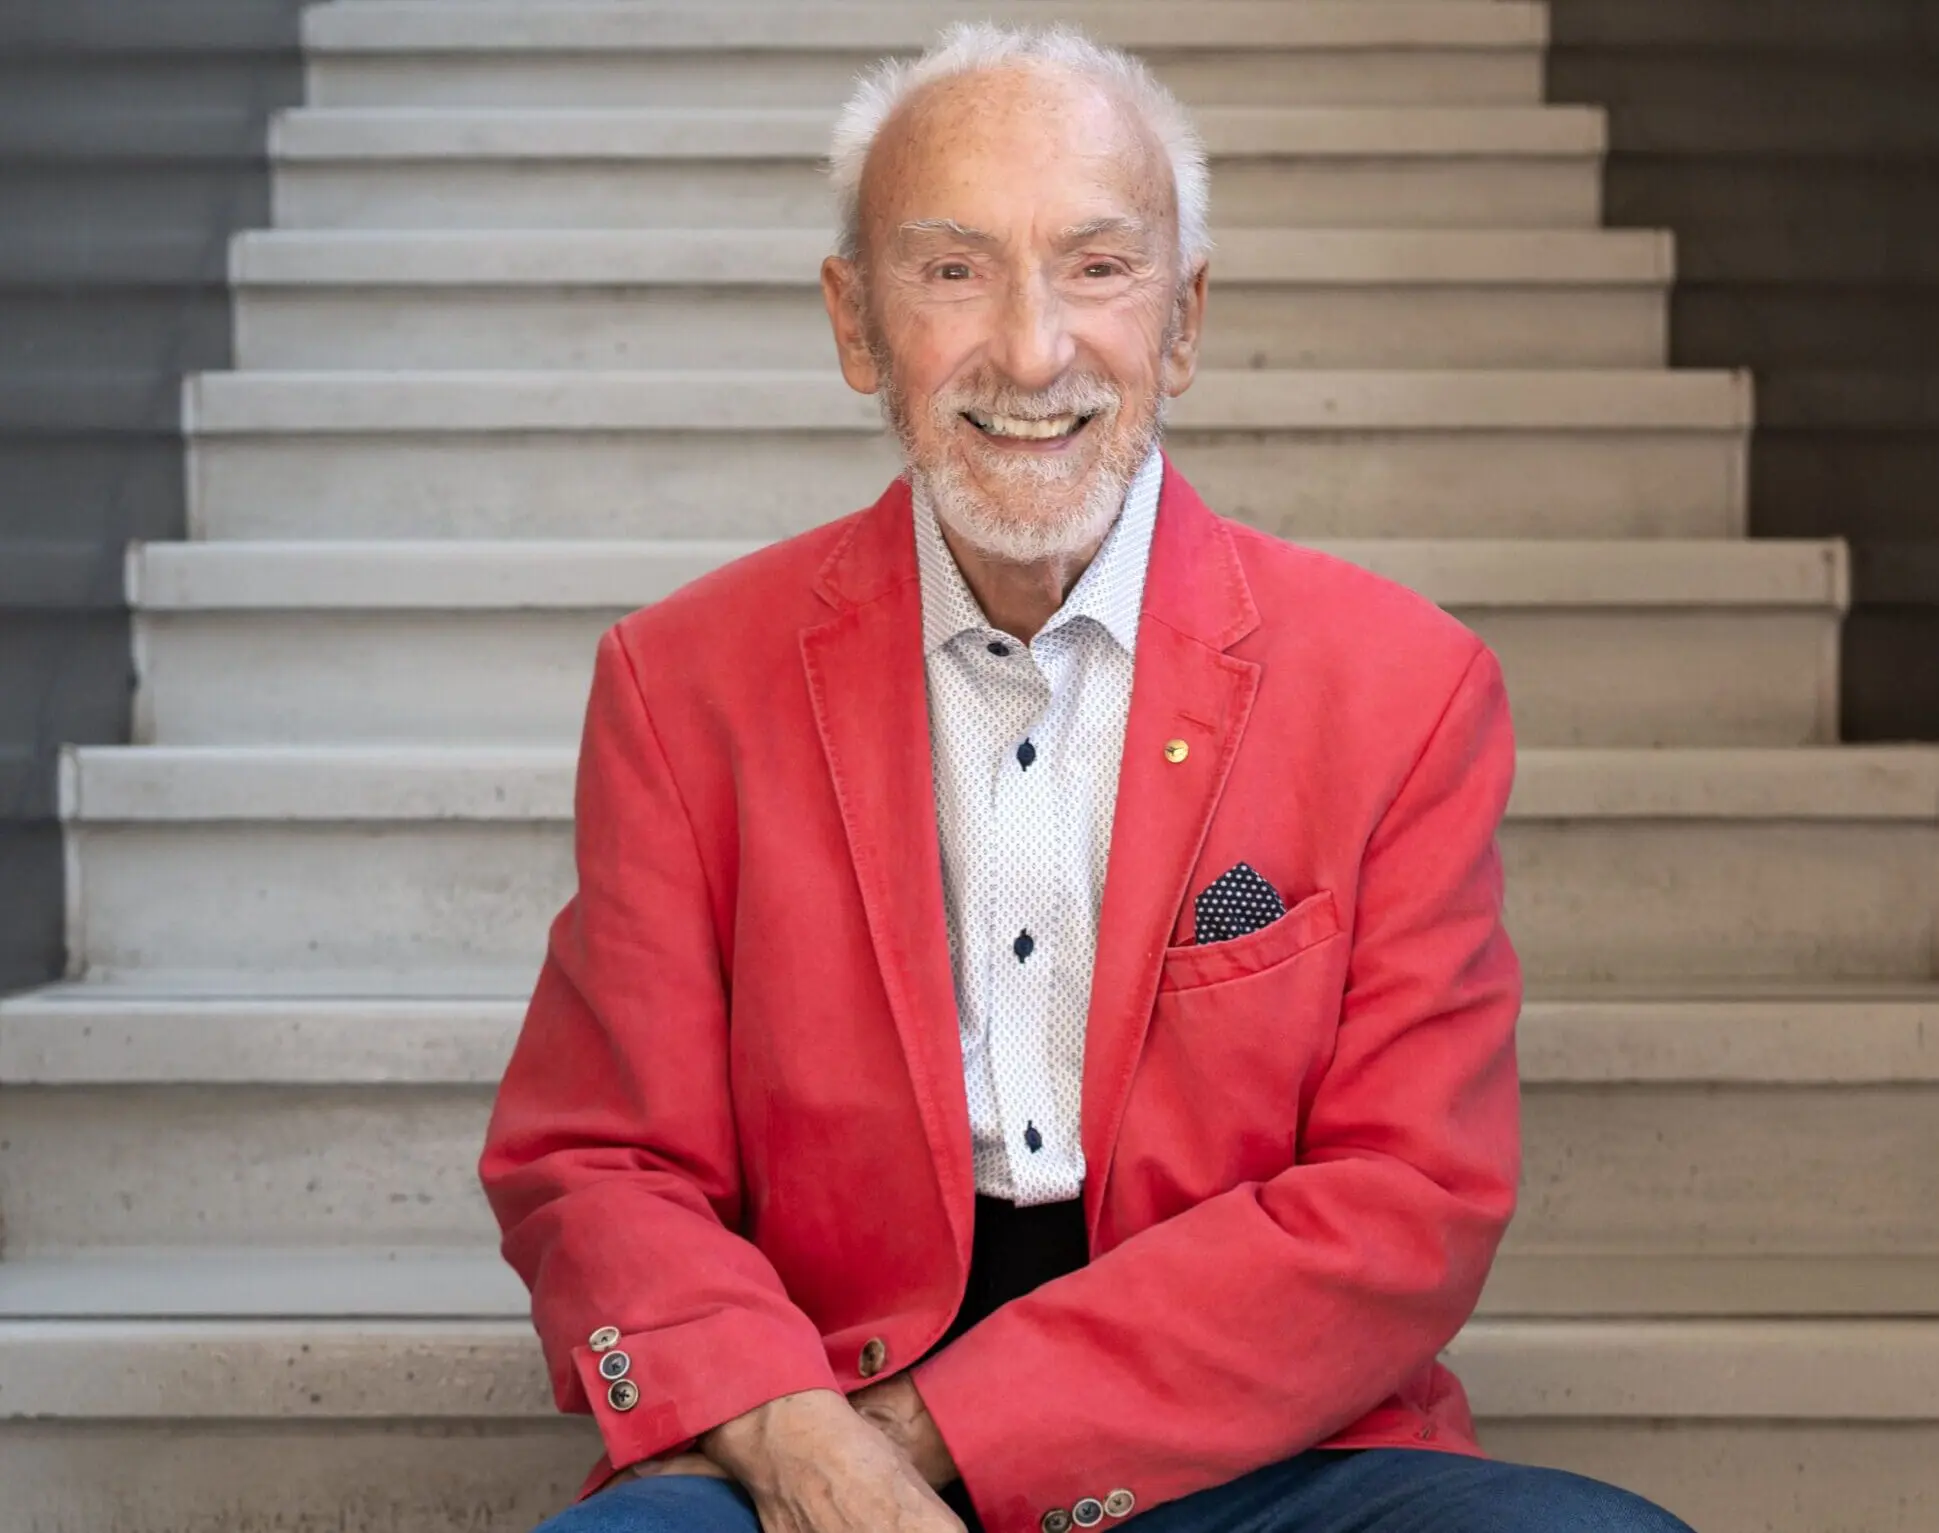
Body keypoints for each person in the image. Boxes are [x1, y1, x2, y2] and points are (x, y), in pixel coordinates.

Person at [479, 23, 1695, 1533]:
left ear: (1181, 321)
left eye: (1097, 269)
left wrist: (928, 1437)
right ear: (856, 325)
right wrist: (802, 1447)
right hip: (811, 1405)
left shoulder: (1398, 688)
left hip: (1252, 1430)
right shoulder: (681, 685)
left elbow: (1403, 1200)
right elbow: (599, 1162)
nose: (1032, 350)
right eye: (951, 271)